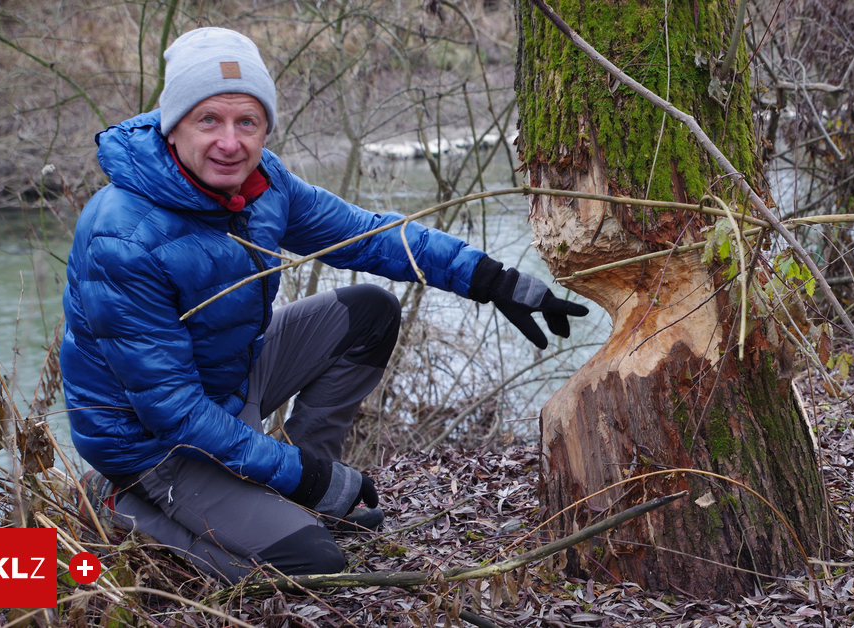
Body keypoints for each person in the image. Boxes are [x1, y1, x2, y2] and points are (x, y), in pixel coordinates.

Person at [61, 27, 587, 582]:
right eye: (208, 120)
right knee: (311, 564)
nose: (230, 143)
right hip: (151, 441)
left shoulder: (263, 185)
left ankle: (304, 482)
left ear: (266, 128)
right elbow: (171, 410)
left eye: (247, 122)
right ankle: (118, 504)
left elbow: (368, 236)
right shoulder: (121, 236)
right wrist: (303, 477)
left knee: (370, 313)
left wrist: (490, 278)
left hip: (227, 381)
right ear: (173, 126)